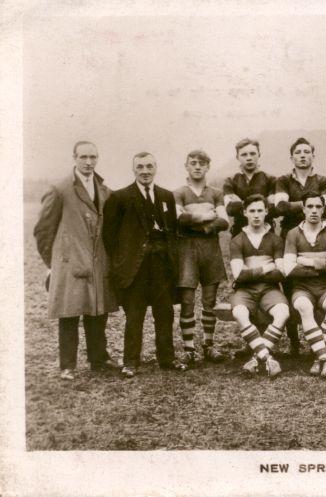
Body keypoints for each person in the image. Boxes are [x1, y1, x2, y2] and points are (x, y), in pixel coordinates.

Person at [33, 140, 116, 380]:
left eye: (93, 157)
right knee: (69, 313)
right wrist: (55, 263)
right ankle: (67, 365)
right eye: (83, 157)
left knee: (97, 311)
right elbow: (43, 231)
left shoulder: (103, 189)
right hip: (70, 264)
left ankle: (98, 358)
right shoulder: (60, 189)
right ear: (74, 158)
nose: (89, 162)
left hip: (97, 262)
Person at [102, 152, 188, 378]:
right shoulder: (120, 198)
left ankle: (167, 359)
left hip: (161, 267)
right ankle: (130, 362)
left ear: (156, 168)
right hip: (135, 269)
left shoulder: (166, 196)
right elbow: (109, 237)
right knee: (135, 316)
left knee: (165, 313)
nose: (145, 171)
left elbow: (172, 232)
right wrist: (122, 264)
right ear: (133, 170)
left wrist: (170, 261)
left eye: (149, 166)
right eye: (140, 167)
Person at [273, 137, 326, 356]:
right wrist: (311, 203)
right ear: (292, 157)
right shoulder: (282, 180)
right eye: (298, 152)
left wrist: (296, 204)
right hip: (289, 236)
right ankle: (294, 341)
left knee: (320, 278)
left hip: (319, 237)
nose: (302, 155)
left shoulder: (323, 180)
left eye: (306, 151)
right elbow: (280, 206)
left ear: (312, 156)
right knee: (290, 284)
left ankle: (318, 338)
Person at [172, 150, 229, 365]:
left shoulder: (216, 193)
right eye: (193, 163)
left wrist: (201, 228)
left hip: (210, 249)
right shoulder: (178, 193)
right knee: (187, 300)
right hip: (186, 250)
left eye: (202, 163)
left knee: (209, 300)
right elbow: (179, 219)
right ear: (186, 166)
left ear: (208, 167)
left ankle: (209, 345)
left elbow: (224, 222)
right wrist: (205, 216)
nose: (197, 166)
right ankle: (188, 349)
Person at [283, 191, 326, 378]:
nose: (314, 210)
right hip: (302, 288)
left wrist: (309, 262)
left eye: (318, 206)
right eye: (310, 206)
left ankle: (319, 357)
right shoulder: (293, 234)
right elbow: (289, 269)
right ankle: (325, 358)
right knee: (303, 306)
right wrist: (325, 263)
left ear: (324, 209)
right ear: (303, 209)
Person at [228, 194, 288, 376]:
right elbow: (239, 276)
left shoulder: (275, 240)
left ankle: (256, 358)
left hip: (270, 289)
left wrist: (251, 271)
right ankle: (268, 358)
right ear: (245, 212)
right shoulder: (237, 240)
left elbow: (281, 273)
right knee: (239, 312)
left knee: (282, 312)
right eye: (252, 211)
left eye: (260, 211)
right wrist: (266, 267)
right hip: (245, 291)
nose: (256, 215)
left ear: (266, 212)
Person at [223, 138, 276, 236]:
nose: (249, 158)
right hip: (239, 233)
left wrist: (241, 203)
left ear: (259, 154)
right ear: (237, 157)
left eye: (252, 153)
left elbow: (273, 209)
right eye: (244, 154)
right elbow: (230, 209)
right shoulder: (230, 181)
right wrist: (263, 204)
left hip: (267, 234)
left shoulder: (270, 179)